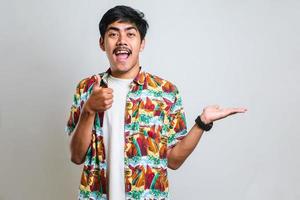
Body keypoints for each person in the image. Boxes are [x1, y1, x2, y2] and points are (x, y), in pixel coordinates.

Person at [65, 5, 247, 200]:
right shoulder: (87, 88)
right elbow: (76, 156)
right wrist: (89, 109)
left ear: (142, 43)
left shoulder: (165, 93)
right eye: (113, 34)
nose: (122, 41)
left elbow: (174, 160)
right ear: (102, 43)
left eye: (131, 34)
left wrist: (202, 122)